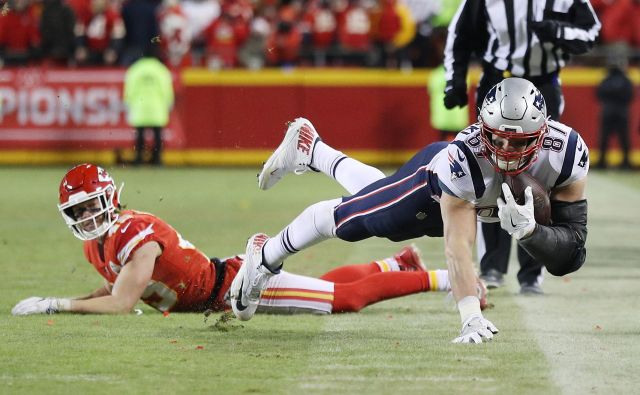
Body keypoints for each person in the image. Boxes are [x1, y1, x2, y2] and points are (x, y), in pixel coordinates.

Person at [231, 77, 589, 344]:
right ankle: (264, 255)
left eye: (519, 141)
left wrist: (531, 233)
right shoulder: (464, 159)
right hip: (431, 190)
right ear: (483, 128)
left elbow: (571, 253)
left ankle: (313, 150)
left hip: (476, 200)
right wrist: (470, 316)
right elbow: (458, 246)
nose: (506, 149)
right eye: (497, 138)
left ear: (542, 135)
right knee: (357, 220)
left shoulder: (568, 152)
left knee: (376, 196)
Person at [11, 164, 487, 317]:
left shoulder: (136, 234)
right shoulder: (96, 244)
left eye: (93, 204)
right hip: (219, 289)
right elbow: (114, 291)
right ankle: (394, 263)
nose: (88, 215)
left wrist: (57, 304)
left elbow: (121, 303)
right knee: (324, 287)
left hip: (236, 285)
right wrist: (71, 299)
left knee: (343, 300)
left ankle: (446, 279)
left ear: (111, 198)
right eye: (79, 210)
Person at [443, 0, 600, 294]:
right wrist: (455, 79)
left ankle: (532, 272)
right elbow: (459, 34)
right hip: (498, 83)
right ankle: (491, 265)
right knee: (489, 173)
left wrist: (558, 31)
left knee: (541, 174)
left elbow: (591, 33)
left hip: (544, 85)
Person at [123, 46, 174, 166]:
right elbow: (166, 89)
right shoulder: (161, 69)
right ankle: (157, 160)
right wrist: (169, 102)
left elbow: (129, 88)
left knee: (139, 135)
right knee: (157, 135)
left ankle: (138, 159)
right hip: (157, 107)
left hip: (139, 107)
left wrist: (127, 102)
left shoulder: (135, 69)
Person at [596, 60, 634, 170]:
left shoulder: (606, 80)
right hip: (622, 112)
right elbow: (630, 96)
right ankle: (626, 162)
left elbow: (599, 94)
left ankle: (602, 162)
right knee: (624, 138)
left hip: (608, 111)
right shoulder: (626, 80)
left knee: (604, 137)